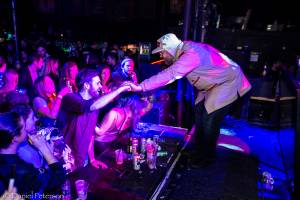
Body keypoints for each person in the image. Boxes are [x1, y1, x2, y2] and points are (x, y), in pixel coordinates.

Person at [126, 33, 251, 166]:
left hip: (228, 82)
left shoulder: (190, 54)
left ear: (170, 50)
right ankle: (198, 151)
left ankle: (206, 159)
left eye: (162, 53)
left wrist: (140, 87)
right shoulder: (185, 50)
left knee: (209, 118)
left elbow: (170, 74)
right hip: (214, 84)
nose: (161, 56)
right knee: (199, 113)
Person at [57, 69, 131, 169]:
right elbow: (88, 106)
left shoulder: (95, 105)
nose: (101, 86)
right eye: (97, 83)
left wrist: (92, 159)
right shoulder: (70, 98)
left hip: (83, 158)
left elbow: (90, 134)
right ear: (86, 85)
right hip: (66, 157)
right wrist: (119, 90)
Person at [0, 112, 66, 196]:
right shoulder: (21, 169)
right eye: (24, 128)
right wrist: (45, 150)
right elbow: (58, 178)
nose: (26, 130)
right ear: (15, 138)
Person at [88, 93, 152, 166]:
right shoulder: (136, 115)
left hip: (100, 143)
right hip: (110, 144)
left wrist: (89, 119)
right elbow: (149, 107)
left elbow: (100, 132)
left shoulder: (115, 113)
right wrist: (150, 97)